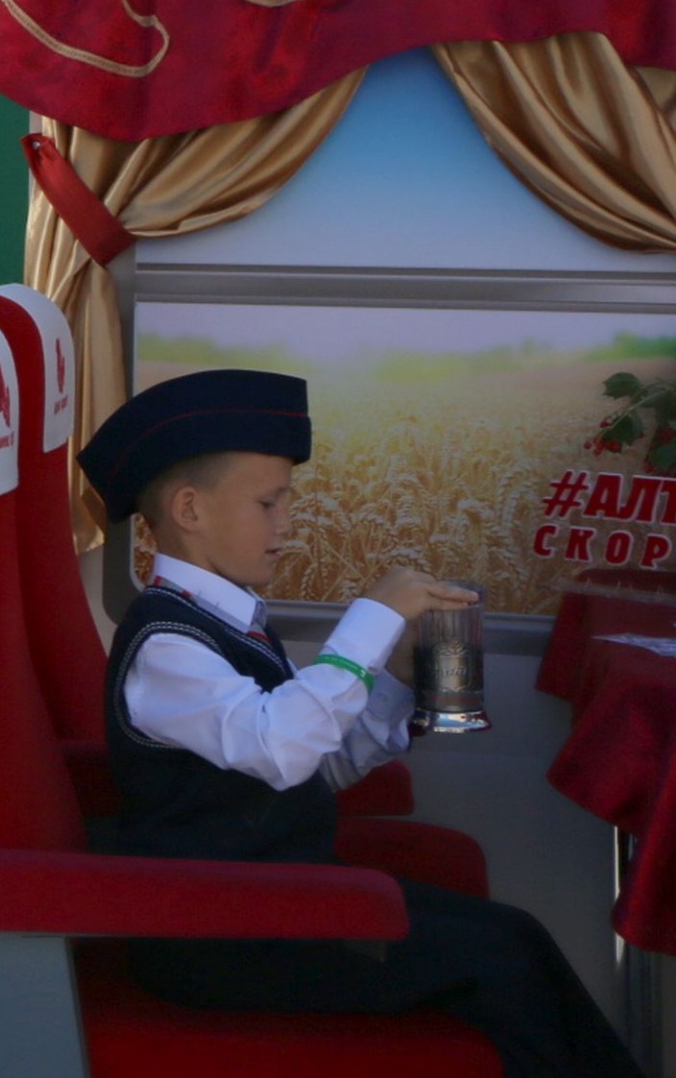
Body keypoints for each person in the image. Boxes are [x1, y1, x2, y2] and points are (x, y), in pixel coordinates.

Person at [76, 368, 644, 1078]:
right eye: (268, 502)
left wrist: (396, 679)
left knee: (517, 937)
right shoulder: (165, 645)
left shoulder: (229, 623)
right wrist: (371, 617)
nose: (287, 522)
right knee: (499, 960)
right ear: (189, 508)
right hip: (223, 936)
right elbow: (280, 747)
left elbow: (315, 760)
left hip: (281, 906)